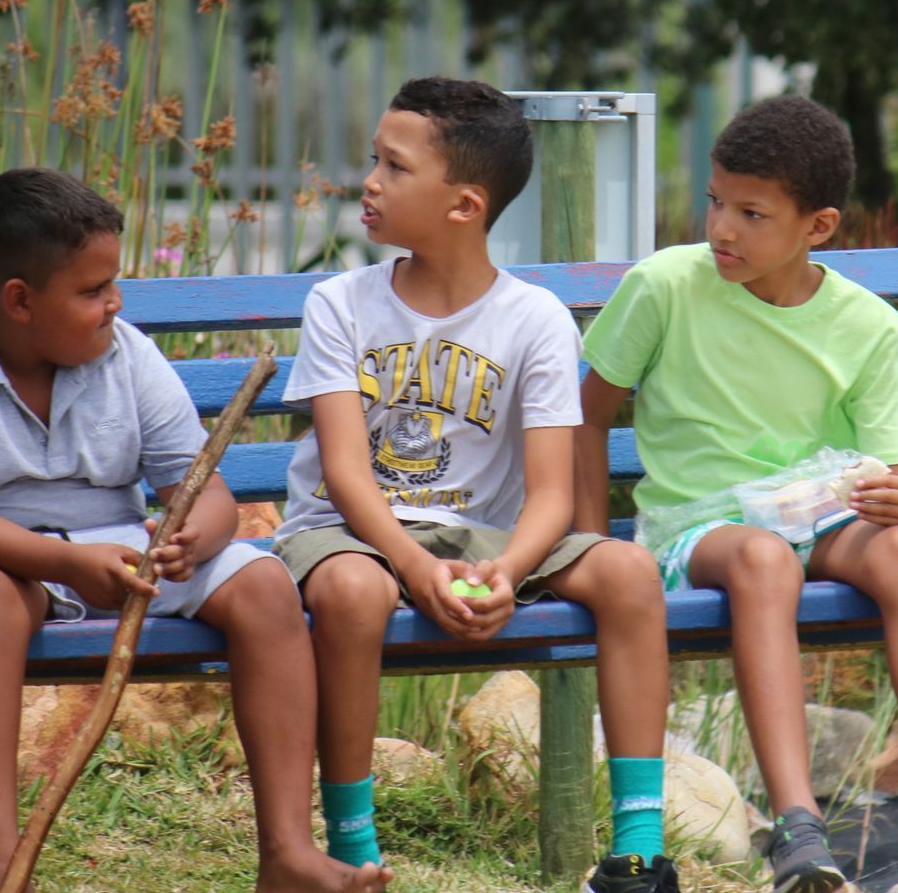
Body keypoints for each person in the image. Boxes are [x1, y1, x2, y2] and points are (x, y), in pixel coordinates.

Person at [0, 167, 388, 893]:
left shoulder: (126, 353)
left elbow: (203, 489)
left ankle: (287, 851)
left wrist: (193, 539)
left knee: (265, 583)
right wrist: (61, 563)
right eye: (92, 291)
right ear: (19, 300)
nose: (114, 302)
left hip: (121, 553)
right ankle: (2, 868)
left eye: (113, 283)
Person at [575, 96, 898, 892]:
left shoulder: (867, 325)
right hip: (697, 531)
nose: (722, 229)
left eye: (752, 213)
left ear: (817, 227)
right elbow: (581, 422)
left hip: (816, 521)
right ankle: (796, 830)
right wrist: (588, 549)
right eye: (716, 201)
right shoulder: (665, 288)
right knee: (762, 559)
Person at [272, 77, 680, 893]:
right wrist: (413, 568)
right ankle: (353, 847)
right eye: (375, 161)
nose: (371, 181)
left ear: (464, 205)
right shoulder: (339, 305)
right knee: (354, 595)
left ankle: (638, 848)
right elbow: (348, 476)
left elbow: (554, 497)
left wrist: (506, 570)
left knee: (630, 572)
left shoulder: (533, 319)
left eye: (394, 165)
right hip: (350, 531)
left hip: (483, 539)